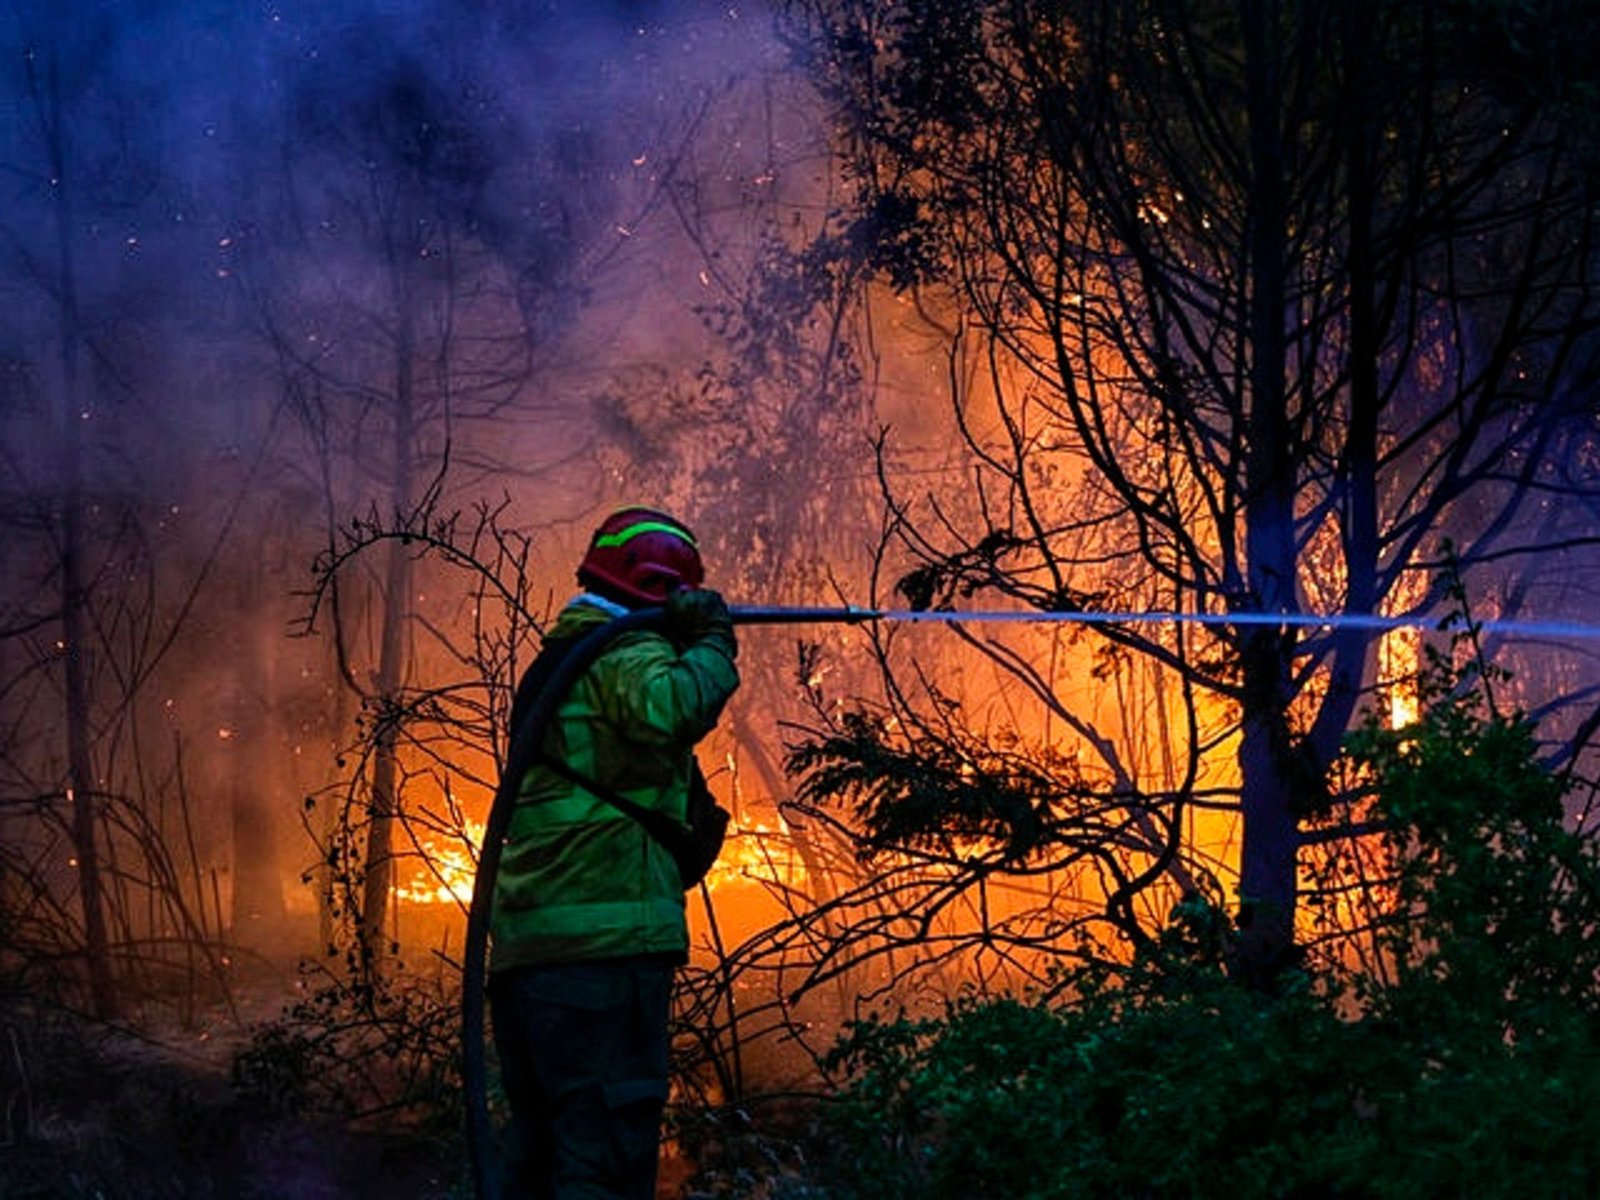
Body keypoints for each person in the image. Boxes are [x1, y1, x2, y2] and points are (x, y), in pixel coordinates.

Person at [488, 506, 740, 1200]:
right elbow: (673, 704)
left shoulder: (566, 660)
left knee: (539, 1161)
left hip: (531, 963)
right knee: (603, 1162)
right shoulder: (625, 650)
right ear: (667, 591)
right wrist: (714, 641)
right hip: (602, 957)